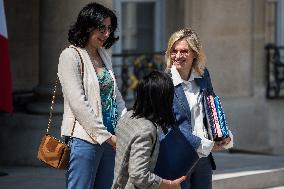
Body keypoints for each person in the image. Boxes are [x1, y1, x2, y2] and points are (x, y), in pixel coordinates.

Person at [57, 2, 126, 189]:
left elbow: (116, 96)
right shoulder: (70, 56)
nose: (106, 34)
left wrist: (125, 126)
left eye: (109, 29)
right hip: (84, 139)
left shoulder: (104, 54)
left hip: (110, 138)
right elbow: (78, 103)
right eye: (101, 28)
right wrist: (106, 136)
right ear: (87, 26)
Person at [163, 28, 234, 189]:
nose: (178, 56)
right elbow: (170, 125)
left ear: (195, 53)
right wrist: (206, 145)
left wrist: (224, 136)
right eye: (174, 51)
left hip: (203, 160)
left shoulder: (203, 76)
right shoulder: (164, 81)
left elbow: (212, 110)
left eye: (184, 51)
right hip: (178, 158)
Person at [112, 71, 187, 189]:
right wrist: (169, 185)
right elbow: (138, 175)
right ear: (162, 100)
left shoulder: (128, 117)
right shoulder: (146, 130)